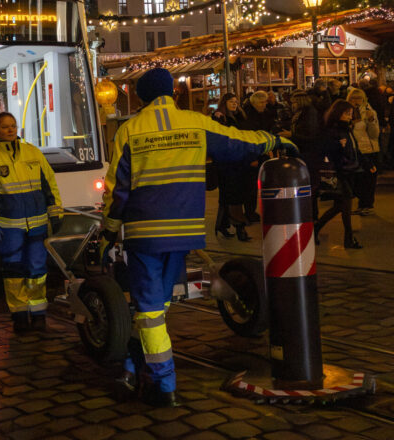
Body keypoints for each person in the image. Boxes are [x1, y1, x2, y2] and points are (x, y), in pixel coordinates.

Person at [103, 68, 293, 407]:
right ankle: (134, 362)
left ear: (142, 98)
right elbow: (240, 143)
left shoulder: (130, 130)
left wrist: (107, 230)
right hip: (185, 231)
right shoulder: (196, 123)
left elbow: (118, 189)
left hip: (145, 233)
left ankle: (163, 385)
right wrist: (274, 140)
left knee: (148, 312)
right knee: (158, 304)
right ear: (173, 93)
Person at [0, 112, 63, 333]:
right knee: (13, 272)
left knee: (37, 270)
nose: (10, 130)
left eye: (13, 126)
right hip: (8, 228)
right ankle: (20, 316)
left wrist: (56, 212)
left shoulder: (33, 153)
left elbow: (50, 184)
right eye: (5, 127)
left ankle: (39, 314)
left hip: (37, 225)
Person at [316, 100, 365, 249]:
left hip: (348, 171)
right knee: (345, 205)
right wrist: (339, 146)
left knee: (340, 207)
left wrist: (366, 163)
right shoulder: (333, 130)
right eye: (346, 113)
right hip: (340, 172)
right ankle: (348, 239)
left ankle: (315, 229)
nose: (349, 116)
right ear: (338, 113)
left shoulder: (346, 129)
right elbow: (326, 150)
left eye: (350, 113)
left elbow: (354, 150)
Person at [211, 93, 251, 241]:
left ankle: (222, 224)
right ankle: (240, 228)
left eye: (236, 101)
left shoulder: (238, 116)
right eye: (231, 101)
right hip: (227, 163)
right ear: (224, 103)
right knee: (233, 196)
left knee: (228, 196)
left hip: (238, 160)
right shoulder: (220, 118)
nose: (235, 104)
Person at [286, 91, 323, 226]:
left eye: (294, 102)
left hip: (309, 155)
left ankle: (312, 216)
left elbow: (311, 137)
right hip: (302, 153)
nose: (292, 105)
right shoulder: (300, 114)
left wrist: (291, 135)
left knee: (309, 186)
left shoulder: (309, 114)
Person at [239, 90, 274, 223]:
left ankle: (255, 211)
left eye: (265, 102)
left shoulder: (263, 114)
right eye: (262, 102)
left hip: (263, 152)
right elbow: (248, 138)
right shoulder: (247, 116)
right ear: (255, 102)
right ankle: (249, 212)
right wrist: (251, 158)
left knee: (258, 185)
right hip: (252, 154)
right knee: (250, 187)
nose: (264, 104)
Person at [346, 88, 379, 216]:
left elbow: (374, 134)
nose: (356, 101)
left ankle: (367, 205)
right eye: (353, 98)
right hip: (353, 150)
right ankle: (362, 203)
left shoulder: (369, 112)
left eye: (359, 98)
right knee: (357, 179)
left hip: (367, 150)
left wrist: (371, 121)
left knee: (368, 179)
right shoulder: (346, 112)